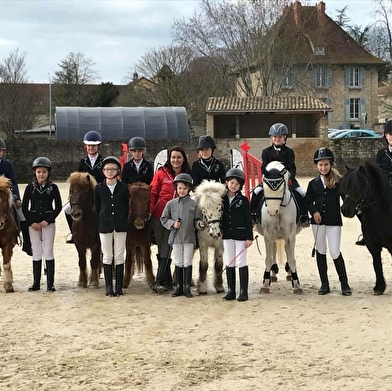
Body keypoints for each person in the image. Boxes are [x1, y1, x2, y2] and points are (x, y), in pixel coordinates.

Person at [305, 148, 352, 296]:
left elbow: (347, 199)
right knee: (321, 250)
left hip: (333, 221)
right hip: (317, 223)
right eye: (320, 165)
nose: (323, 168)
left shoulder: (339, 182)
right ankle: (324, 284)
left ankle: (344, 284)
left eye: (326, 164)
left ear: (330, 164)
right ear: (317, 166)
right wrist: (314, 211)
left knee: (335, 251)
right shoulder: (313, 183)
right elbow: (307, 201)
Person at [150, 146, 191, 291]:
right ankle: (164, 279)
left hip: (177, 217)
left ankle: (161, 280)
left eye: (179, 157)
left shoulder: (187, 174)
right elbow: (153, 192)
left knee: (167, 246)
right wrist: (150, 211)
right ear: (169, 158)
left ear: (183, 158)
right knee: (162, 246)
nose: (175, 160)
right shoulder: (161, 173)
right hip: (159, 215)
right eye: (173, 157)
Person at [251, 123, 309, 227]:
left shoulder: (289, 152)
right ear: (271, 138)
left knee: (301, 193)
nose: (277, 139)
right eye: (275, 137)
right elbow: (263, 167)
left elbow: (292, 168)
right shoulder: (266, 152)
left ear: (284, 138)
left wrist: (285, 174)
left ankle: (304, 216)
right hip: (270, 180)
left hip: (287, 180)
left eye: (280, 137)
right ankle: (253, 215)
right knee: (256, 192)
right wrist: (269, 175)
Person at [22, 157, 62, 292]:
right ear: (35, 172)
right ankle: (36, 283)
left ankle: (50, 283)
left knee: (48, 251)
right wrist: (31, 222)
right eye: (39, 172)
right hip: (33, 224)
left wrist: (48, 220)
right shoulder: (29, 187)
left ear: (48, 172)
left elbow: (58, 207)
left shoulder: (53, 187)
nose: (41, 174)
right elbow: (24, 208)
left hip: (47, 223)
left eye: (44, 172)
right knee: (37, 251)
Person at [160, 173, 203, 298]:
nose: (182, 190)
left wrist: (200, 224)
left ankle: (187, 287)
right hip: (176, 237)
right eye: (179, 188)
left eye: (184, 188)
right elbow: (163, 219)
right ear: (176, 188)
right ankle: (179, 286)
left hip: (189, 237)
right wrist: (173, 223)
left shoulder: (194, 204)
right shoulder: (171, 204)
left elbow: (197, 220)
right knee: (178, 261)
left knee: (187, 261)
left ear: (189, 189)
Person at [95, 156, 129, 297]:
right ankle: (109, 287)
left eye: (113, 169)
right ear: (103, 171)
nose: (109, 171)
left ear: (117, 171)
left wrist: (122, 218)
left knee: (119, 255)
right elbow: (97, 207)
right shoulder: (98, 188)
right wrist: (103, 218)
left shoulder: (123, 187)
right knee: (108, 255)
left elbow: (126, 206)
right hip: (105, 224)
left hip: (120, 225)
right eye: (107, 169)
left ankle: (119, 287)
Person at [64, 130, 105, 244]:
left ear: (98, 147)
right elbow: (78, 179)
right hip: (85, 194)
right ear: (85, 147)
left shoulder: (103, 161)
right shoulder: (83, 162)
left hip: (99, 192)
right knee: (67, 209)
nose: (91, 148)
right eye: (89, 145)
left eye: (94, 146)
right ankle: (73, 232)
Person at [221, 168, 253, 302]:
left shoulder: (244, 200)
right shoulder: (221, 199)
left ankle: (243, 291)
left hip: (241, 234)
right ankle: (231, 290)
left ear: (240, 186)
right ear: (227, 182)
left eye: (237, 184)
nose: (233, 186)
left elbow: (248, 219)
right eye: (231, 183)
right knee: (229, 261)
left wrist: (249, 237)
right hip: (227, 234)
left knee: (241, 261)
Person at [0, 138, 32, 255]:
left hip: (7, 195)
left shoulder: (8, 165)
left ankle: (27, 244)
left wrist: (17, 197)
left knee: (22, 213)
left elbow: (13, 182)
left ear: (3, 152)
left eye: (0, 150)